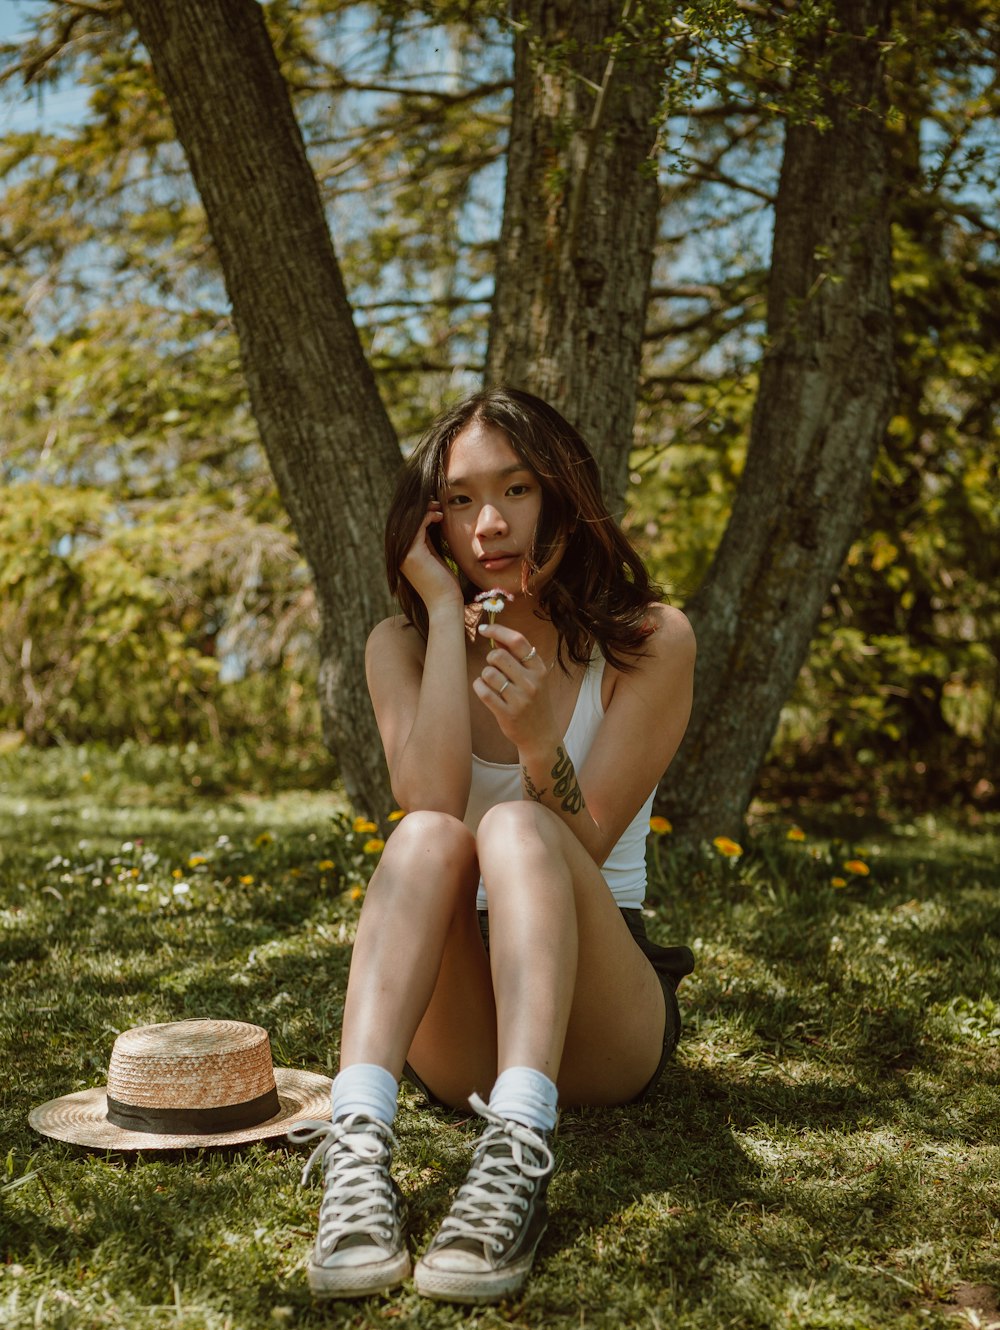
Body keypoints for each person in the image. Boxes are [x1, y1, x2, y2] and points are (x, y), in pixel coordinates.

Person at [289, 386, 696, 1304]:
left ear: (560, 494)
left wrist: (539, 746)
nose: (490, 525)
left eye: (514, 490)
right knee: (432, 834)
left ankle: (515, 1151)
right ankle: (357, 1149)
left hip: (600, 1012)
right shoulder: (397, 643)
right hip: (461, 1027)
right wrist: (441, 615)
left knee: (518, 822)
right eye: (462, 501)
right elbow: (428, 798)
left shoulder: (646, 640)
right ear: (431, 526)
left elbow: (583, 844)